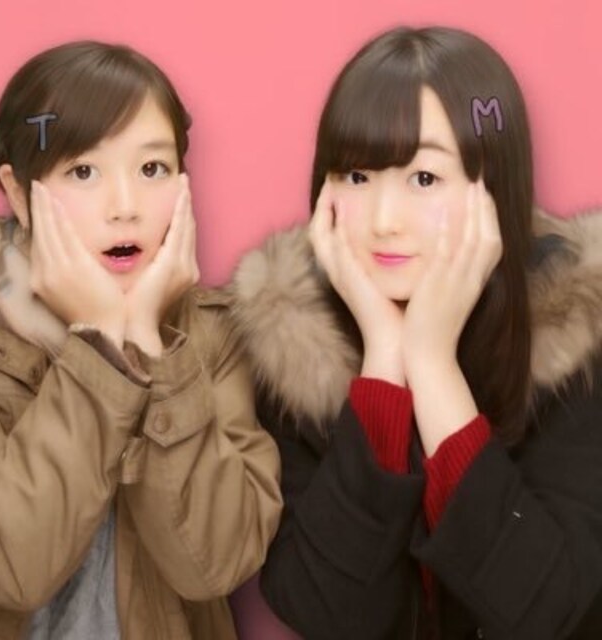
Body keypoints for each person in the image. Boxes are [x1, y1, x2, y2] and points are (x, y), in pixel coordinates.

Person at [228, 26, 602, 639]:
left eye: (424, 178)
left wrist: (432, 364)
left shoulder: (578, 332)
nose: (383, 221)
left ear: (495, 188)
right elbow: (322, 612)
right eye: (356, 176)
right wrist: (385, 358)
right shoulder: (295, 341)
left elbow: (546, 612)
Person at [0, 40, 281, 639]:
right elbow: (7, 567)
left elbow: (216, 565)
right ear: (18, 192)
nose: (126, 207)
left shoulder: (212, 334)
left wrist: (151, 345)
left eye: (152, 169)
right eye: (83, 171)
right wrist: (101, 345)